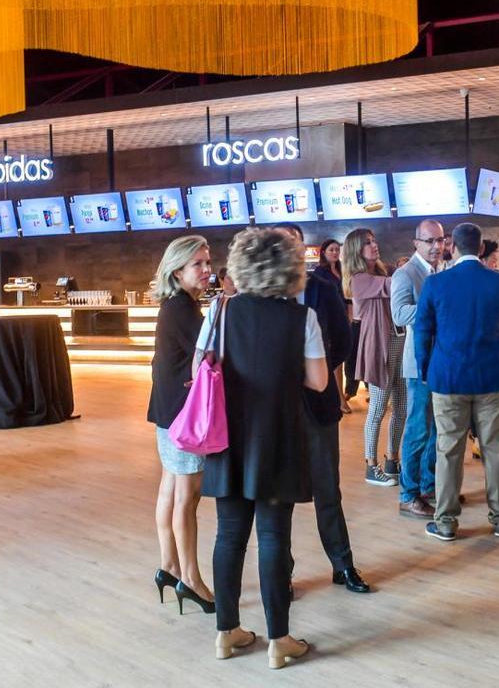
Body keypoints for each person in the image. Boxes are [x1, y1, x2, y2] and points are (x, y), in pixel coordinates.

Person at [200, 226, 326, 668]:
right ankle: (279, 640)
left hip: (226, 439)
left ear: (241, 267)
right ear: (290, 270)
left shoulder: (219, 311)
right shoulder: (302, 318)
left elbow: (200, 367)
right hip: (279, 437)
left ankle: (226, 632)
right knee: (274, 536)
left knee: (228, 535)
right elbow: (318, 381)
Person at [270, 223, 370, 593]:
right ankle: (282, 572)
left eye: (295, 245)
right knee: (279, 496)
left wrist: (320, 372)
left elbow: (344, 342)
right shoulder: (263, 294)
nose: (291, 252)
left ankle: (342, 565)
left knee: (328, 489)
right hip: (276, 412)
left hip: (318, 403)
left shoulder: (323, 290)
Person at [415, 222, 499, 541]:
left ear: (453, 246)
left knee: (448, 449)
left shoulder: (436, 284)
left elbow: (423, 330)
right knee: (494, 448)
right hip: (492, 375)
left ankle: (446, 522)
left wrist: (425, 370)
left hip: (448, 377)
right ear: (481, 248)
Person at [146, 235, 215, 613]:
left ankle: (169, 566)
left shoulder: (175, 306)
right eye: (198, 265)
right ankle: (191, 579)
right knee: (186, 499)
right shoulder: (184, 311)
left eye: (208, 263)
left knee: (170, 492)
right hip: (183, 417)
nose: (207, 271)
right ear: (178, 270)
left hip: (167, 411)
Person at [342, 228, 407, 486]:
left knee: (401, 407)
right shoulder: (359, 279)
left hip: (399, 341)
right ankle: (371, 466)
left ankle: (392, 459)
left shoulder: (382, 272)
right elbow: (394, 286)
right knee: (378, 408)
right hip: (378, 346)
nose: (374, 245)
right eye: (367, 243)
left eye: (374, 240)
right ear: (357, 250)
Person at [390, 219, 446, 519]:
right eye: (430, 241)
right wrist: (436, 307)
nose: (437, 246)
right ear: (416, 243)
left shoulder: (442, 271)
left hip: (440, 360)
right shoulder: (405, 273)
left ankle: (428, 486)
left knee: (437, 429)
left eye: (440, 240)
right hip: (417, 363)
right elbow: (399, 313)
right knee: (417, 428)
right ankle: (408, 494)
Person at [318, 238, 356, 411]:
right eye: (331, 250)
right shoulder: (320, 273)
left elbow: (348, 295)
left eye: (336, 250)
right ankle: (339, 398)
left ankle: (343, 394)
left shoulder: (343, 270)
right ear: (324, 253)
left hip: (345, 317)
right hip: (329, 319)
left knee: (345, 355)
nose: (334, 252)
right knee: (336, 360)